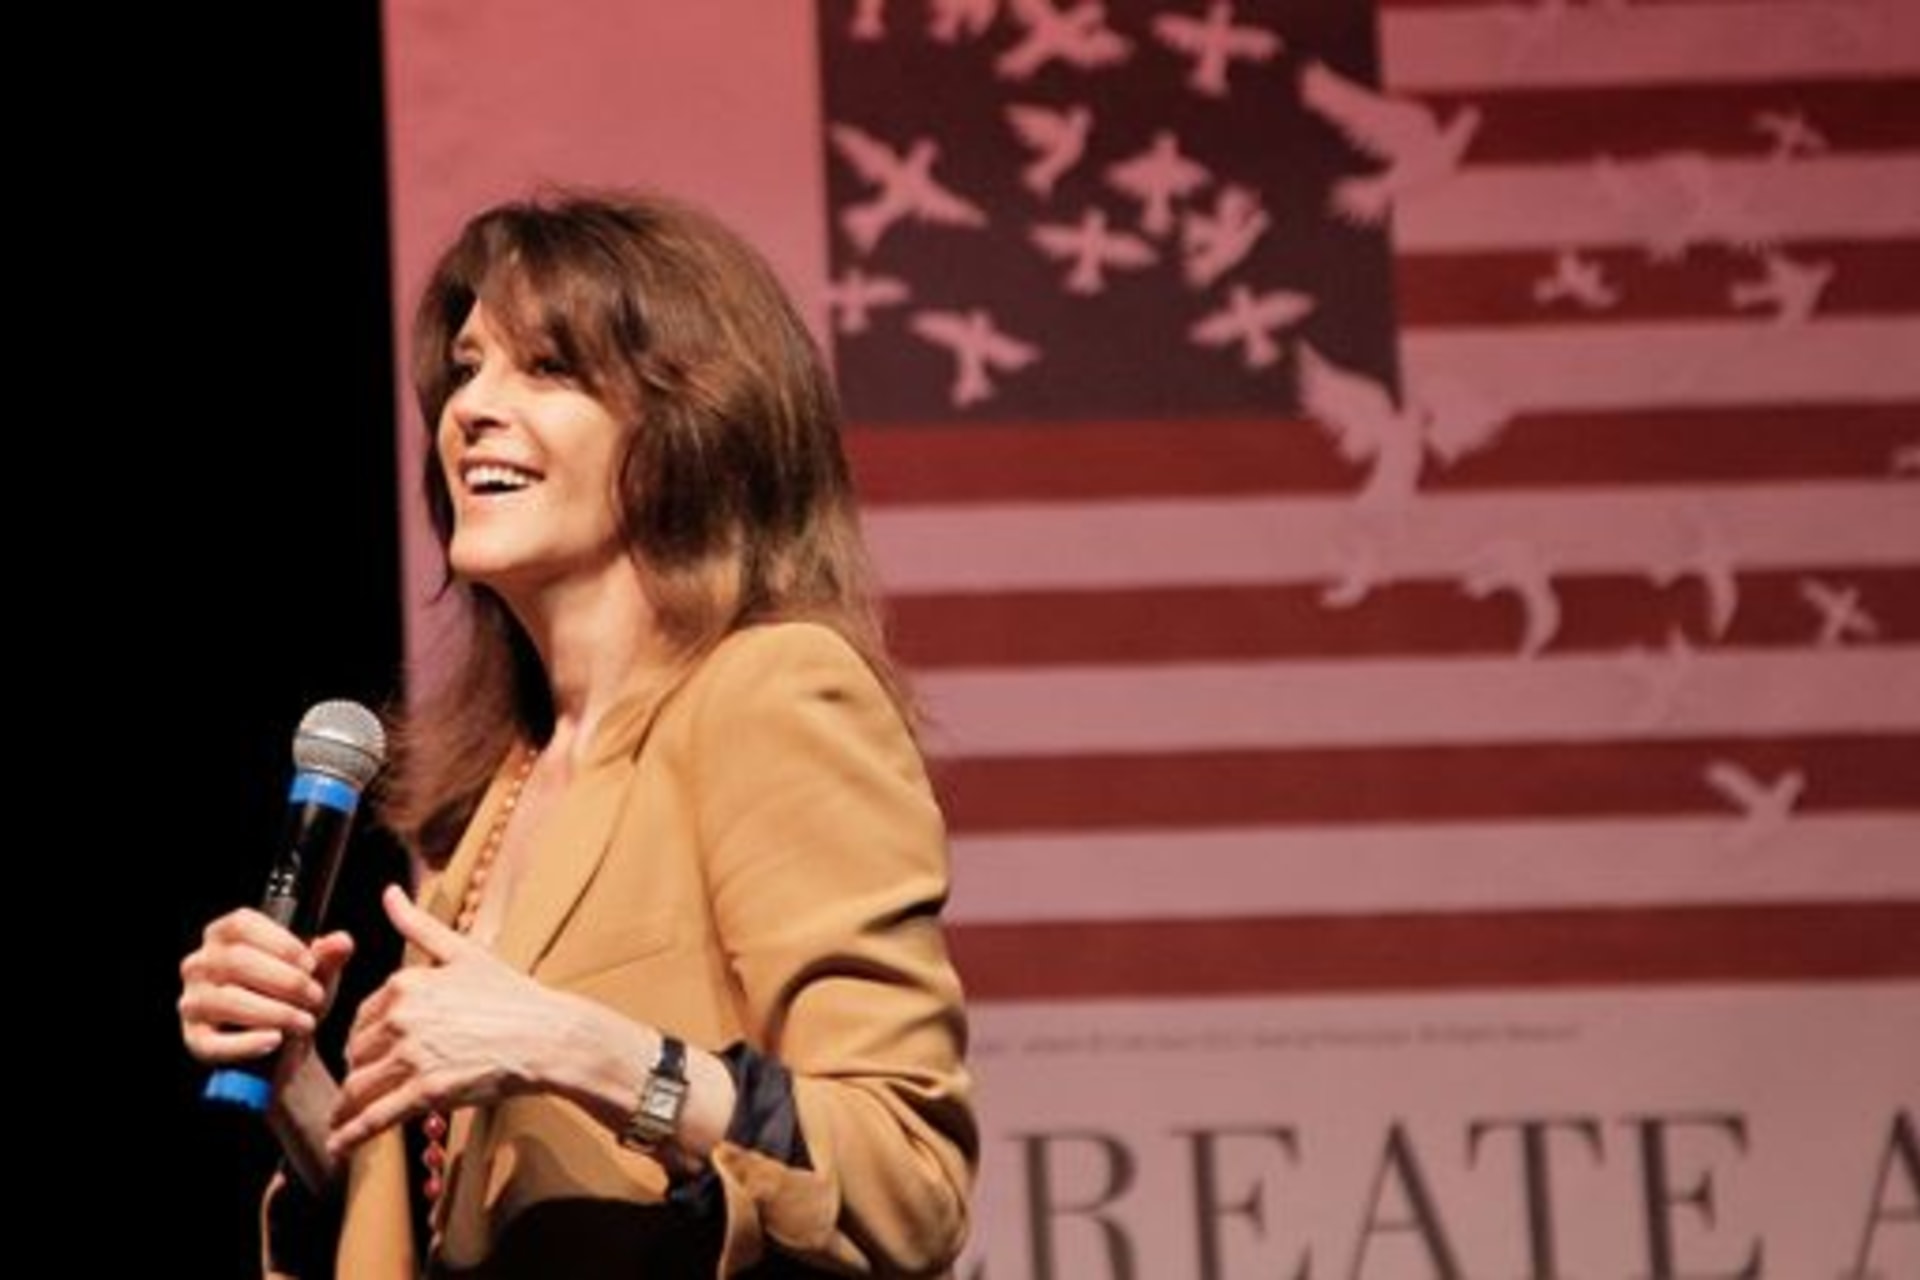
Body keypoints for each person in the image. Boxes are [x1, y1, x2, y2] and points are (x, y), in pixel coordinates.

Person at [177, 190, 977, 1277]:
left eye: (545, 369)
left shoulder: (773, 691)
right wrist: (300, 1084)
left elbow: (907, 1176)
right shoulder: (493, 797)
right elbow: (464, 1232)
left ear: (690, 424)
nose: (471, 408)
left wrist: (579, 1045)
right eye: (466, 368)